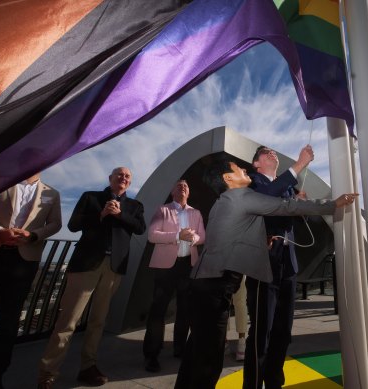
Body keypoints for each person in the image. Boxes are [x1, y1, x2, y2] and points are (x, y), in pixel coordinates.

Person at [175, 159, 357, 389]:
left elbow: (233, 237)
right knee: (208, 363)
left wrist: (262, 240)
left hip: (204, 286)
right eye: (238, 169)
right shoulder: (242, 196)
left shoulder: (224, 201)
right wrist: (333, 204)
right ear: (228, 178)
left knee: (194, 356)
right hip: (214, 288)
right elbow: (286, 207)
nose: (244, 170)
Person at [38, 167, 146, 389]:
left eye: (127, 176)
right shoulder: (91, 197)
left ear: (130, 182)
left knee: (98, 320)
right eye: (119, 174)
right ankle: (48, 373)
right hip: (86, 265)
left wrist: (119, 215)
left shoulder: (135, 206)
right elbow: (73, 224)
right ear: (110, 179)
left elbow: (139, 228)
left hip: (114, 268)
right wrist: (101, 214)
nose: (123, 178)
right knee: (68, 320)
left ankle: (88, 367)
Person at [243, 144, 313, 389]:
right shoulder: (252, 182)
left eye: (272, 150)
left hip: (288, 266)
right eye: (264, 151)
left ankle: (274, 383)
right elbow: (267, 196)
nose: (271, 152)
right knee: (262, 332)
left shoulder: (288, 189)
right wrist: (299, 164)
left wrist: (300, 204)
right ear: (256, 164)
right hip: (264, 265)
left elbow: (298, 215)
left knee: (283, 332)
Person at [0, 174, 61, 389]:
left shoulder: (52, 193)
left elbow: (55, 223)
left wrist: (33, 235)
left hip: (24, 260)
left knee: (8, 321)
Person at [143, 179, 205, 372]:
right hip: (165, 268)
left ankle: (180, 349)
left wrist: (193, 238)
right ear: (172, 192)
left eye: (186, 185)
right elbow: (152, 235)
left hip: (188, 266)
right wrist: (179, 236)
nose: (183, 187)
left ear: (189, 192)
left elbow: (203, 236)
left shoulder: (196, 213)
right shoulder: (163, 210)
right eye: (179, 185)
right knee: (158, 311)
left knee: (185, 310)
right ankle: (151, 354)